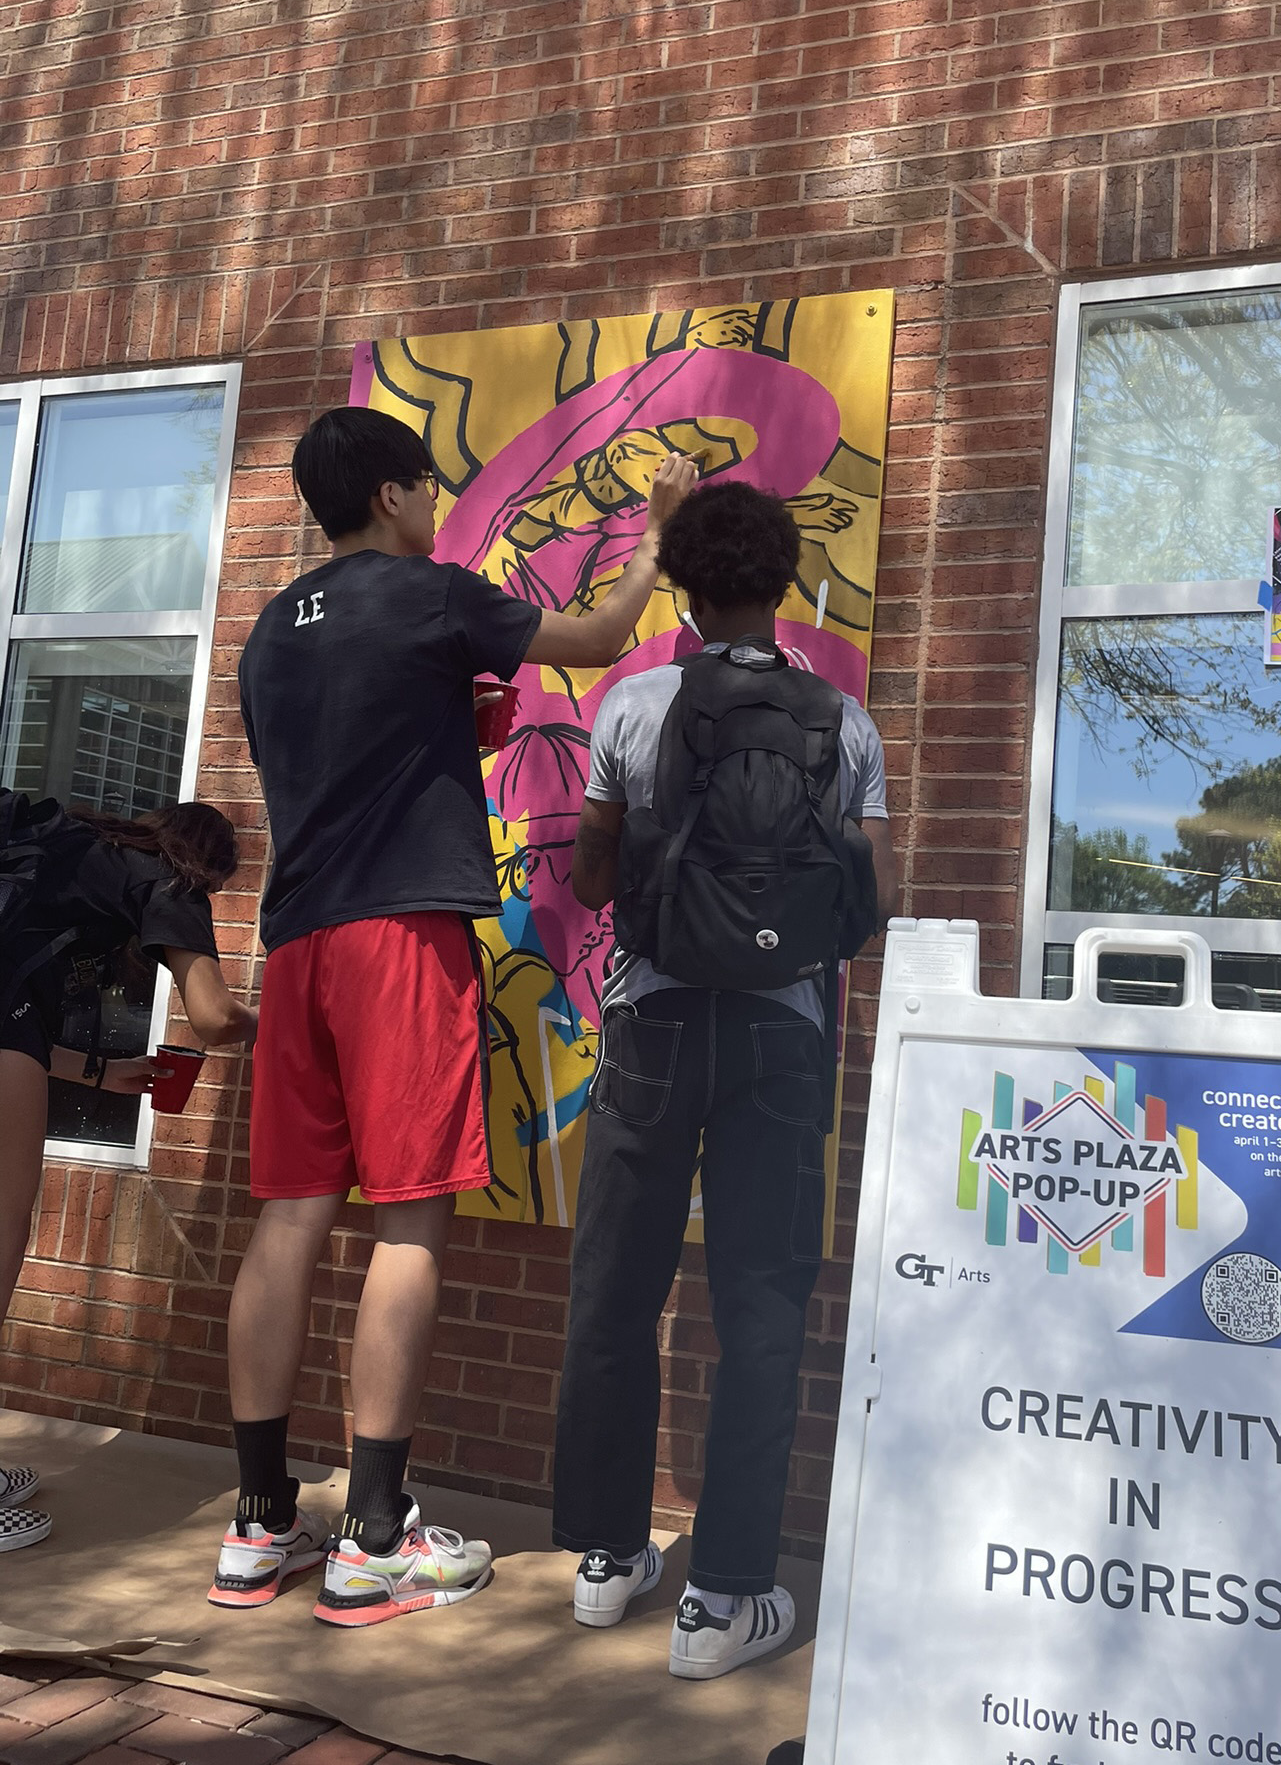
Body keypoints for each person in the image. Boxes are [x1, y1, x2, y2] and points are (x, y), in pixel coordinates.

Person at [217, 405, 695, 1627]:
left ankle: (260, 1520)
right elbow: (592, 634)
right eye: (426, 487)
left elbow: (340, 757)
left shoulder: (270, 632)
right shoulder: (430, 594)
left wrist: (447, 728)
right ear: (390, 494)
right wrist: (657, 535)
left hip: (300, 938)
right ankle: (375, 1535)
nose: (436, 506)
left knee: (288, 1217)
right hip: (401, 937)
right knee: (411, 1219)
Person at [553, 478, 898, 1680]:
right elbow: (871, 904)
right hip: (781, 1036)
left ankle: (605, 1563)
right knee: (761, 1303)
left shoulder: (634, 703)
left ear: (689, 585)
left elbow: (595, 884)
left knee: (615, 1286)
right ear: (784, 579)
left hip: (650, 1025)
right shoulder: (843, 722)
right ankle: (724, 1597)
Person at [0, 793, 257, 1552]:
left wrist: (99, 1070)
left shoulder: (67, 836)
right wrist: (286, 1025)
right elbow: (210, 1016)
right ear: (204, 863)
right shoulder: (167, 881)